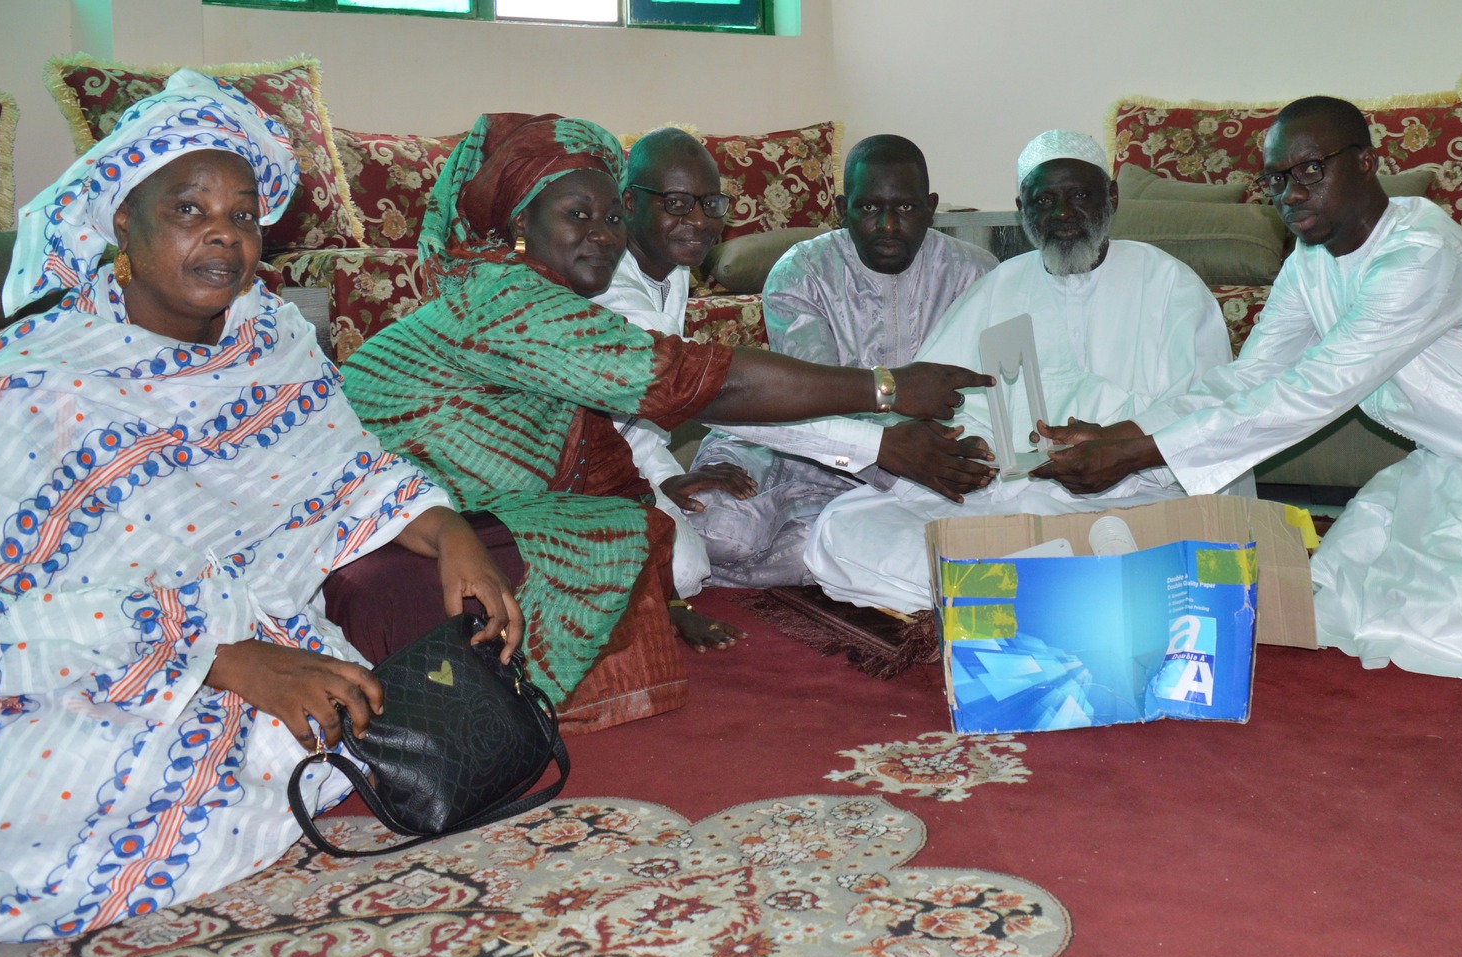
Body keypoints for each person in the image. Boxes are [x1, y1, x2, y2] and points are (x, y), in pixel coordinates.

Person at [0, 71, 523, 944]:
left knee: (311, 733)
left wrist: (452, 540)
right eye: (187, 211)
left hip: (257, 636)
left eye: (243, 216)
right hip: (67, 661)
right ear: (123, 230)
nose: (222, 235)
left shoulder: (273, 342)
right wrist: (218, 660)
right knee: (9, 817)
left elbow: (349, 470)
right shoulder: (30, 382)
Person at [339, 112, 987, 726]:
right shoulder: (513, 301)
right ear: (520, 222)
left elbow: (615, 412)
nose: (602, 233)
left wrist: (657, 479)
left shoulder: (634, 275)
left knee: (632, 547)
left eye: (610, 216)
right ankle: (426, 653)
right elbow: (698, 386)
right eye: (577, 216)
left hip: (481, 493)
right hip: (378, 513)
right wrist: (885, 402)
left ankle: (494, 653)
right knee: (648, 564)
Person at [1035, 96, 1462, 683]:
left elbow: (1316, 389)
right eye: (1276, 179)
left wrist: (1140, 455)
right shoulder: (1309, 261)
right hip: (1459, 467)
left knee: (1436, 616)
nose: (1291, 193)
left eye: (1311, 170)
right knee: (1339, 587)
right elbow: (1253, 375)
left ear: (1366, 163)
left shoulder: (1420, 254)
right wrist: (1125, 433)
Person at [802, 129, 1232, 615]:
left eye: (1080, 196)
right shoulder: (1000, 286)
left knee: (1154, 538)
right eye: (1044, 199)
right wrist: (965, 452)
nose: (1063, 214)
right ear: (1021, 209)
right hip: (1004, 497)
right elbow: (949, 399)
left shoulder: (1168, 283)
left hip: (1125, 495)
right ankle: (1058, 593)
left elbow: (1208, 407)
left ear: (1111, 198)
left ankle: (1002, 593)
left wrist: (1121, 446)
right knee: (842, 526)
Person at [687, 134, 998, 587]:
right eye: (869, 209)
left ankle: (817, 557)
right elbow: (811, 403)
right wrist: (896, 447)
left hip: (929, 459)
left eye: (907, 209)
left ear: (930, 208)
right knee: (720, 532)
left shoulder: (978, 274)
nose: (889, 225)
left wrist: (959, 453)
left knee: (834, 547)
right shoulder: (803, 272)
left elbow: (991, 391)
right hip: (795, 443)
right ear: (842, 208)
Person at [591, 127, 751, 644]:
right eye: (679, 203)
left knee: (699, 555)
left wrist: (661, 479)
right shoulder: (605, 282)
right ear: (630, 202)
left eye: (710, 203)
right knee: (683, 571)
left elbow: (643, 411)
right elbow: (691, 385)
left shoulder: (673, 263)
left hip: (629, 452)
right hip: (569, 467)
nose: (700, 222)